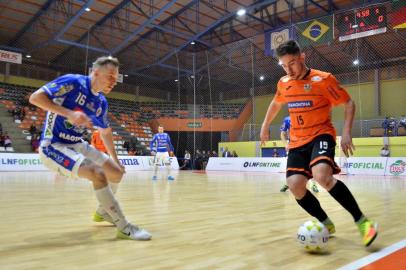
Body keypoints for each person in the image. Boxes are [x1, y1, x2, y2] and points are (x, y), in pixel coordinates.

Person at [260, 40, 377, 247]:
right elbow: (276, 103)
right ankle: (325, 222)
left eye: (293, 63)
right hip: (297, 141)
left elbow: (348, 102)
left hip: (321, 135)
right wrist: (265, 125)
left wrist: (347, 132)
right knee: (295, 185)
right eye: (284, 65)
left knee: (322, 176)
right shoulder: (284, 82)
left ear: (302, 57)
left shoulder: (323, 80)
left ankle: (363, 222)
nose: (289, 69)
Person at [29, 56, 151, 241]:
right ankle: (124, 226)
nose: (114, 81)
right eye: (110, 76)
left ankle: (103, 212)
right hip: (53, 145)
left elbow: (106, 131)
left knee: (116, 173)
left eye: (116, 77)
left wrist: (116, 161)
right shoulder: (73, 82)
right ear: (95, 73)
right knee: (97, 173)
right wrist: (69, 113)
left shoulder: (101, 102)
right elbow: (35, 98)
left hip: (78, 144)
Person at [279, 116, 319, 193]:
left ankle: (313, 184)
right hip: (293, 146)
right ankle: (288, 184)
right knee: (291, 167)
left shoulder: (307, 116)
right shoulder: (287, 119)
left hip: (307, 145)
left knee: (310, 165)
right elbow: (282, 134)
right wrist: (285, 144)